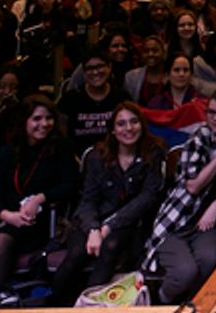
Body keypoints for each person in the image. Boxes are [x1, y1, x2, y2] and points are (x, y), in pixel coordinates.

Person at [0, 94, 78, 307]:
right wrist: (7, 215)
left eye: (48, 118)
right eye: (37, 119)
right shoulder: (7, 151)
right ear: (24, 121)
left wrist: (40, 198)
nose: (44, 124)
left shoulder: (60, 148)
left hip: (35, 219)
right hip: (3, 215)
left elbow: (71, 185)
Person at [49, 102, 166, 304]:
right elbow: (88, 200)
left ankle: (87, 305)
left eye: (133, 122)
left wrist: (108, 228)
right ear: (112, 129)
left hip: (129, 223)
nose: (128, 128)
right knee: (76, 253)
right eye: (121, 124)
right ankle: (54, 304)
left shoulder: (153, 153)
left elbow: (147, 198)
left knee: (109, 247)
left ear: (141, 124)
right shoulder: (97, 156)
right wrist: (94, 228)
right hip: (93, 219)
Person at [144, 88, 216, 304]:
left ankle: (194, 305)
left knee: (210, 260)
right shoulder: (200, 137)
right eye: (211, 112)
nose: (215, 118)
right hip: (177, 221)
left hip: (208, 223)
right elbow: (193, 186)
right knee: (185, 272)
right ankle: (161, 302)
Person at [59, 46, 130, 156]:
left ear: (109, 67)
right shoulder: (70, 99)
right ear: (83, 72)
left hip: (115, 161)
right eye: (90, 68)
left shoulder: (121, 97)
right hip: (78, 163)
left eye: (100, 66)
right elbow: (61, 135)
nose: (95, 72)